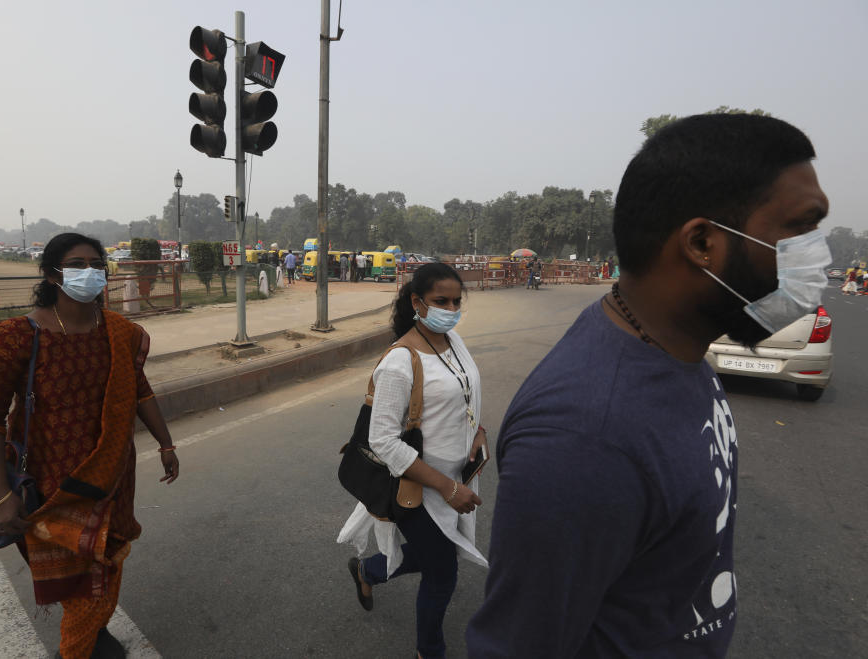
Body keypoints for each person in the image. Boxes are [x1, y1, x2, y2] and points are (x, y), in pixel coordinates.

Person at [467, 114, 831, 657]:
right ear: (703, 243)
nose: (818, 258)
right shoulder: (586, 436)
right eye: (801, 229)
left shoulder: (681, 351)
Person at [0, 233, 180, 659]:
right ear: (51, 274)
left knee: (107, 561)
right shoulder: (15, 338)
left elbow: (140, 391)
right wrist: (1, 495)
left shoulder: (119, 334)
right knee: (82, 591)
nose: (90, 272)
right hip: (49, 491)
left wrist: (165, 443)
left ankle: (92, 636)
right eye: (77, 264)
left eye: (96, 264)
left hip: (112, 480)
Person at [338, 262, 488, 659]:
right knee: (442, 572)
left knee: (439, 553)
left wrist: (478, 432)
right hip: (416, 485)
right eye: (442, 301)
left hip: (455, 477)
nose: (451, 308)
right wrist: (446, 486)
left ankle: (369, 570)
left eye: (457, 301)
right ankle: (430, 651)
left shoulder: (453, 340)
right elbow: (383, 441)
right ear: (417, 302)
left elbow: (467, 392)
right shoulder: (399, 362)